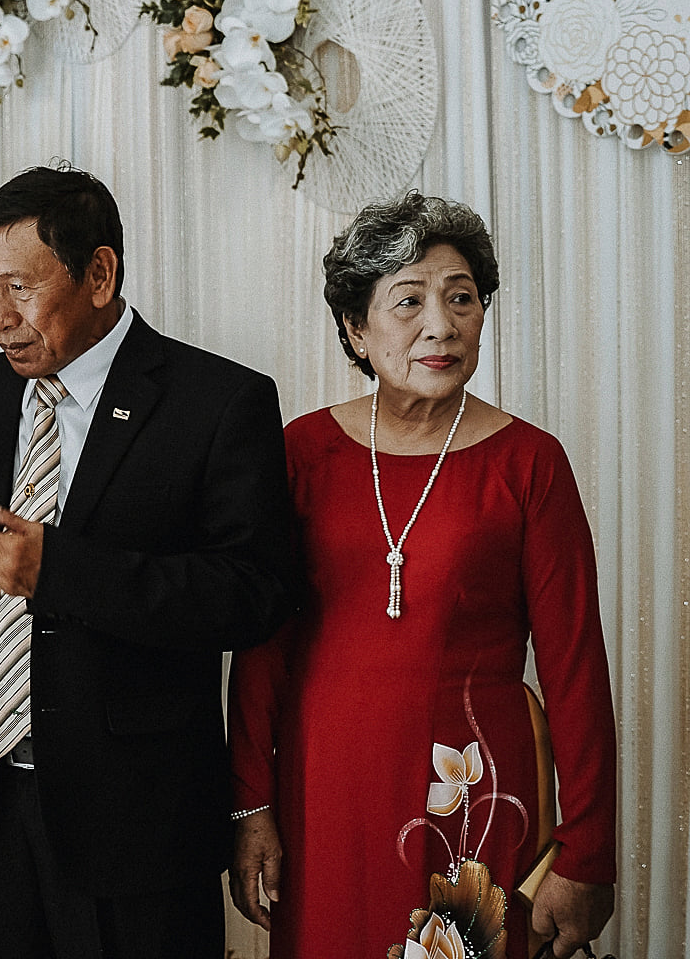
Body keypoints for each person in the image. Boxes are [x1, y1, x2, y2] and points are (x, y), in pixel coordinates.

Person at [0, 164, 298, 959]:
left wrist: (63, 575)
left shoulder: (217, 402)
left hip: (135, 825)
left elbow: (254, 595)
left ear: (100, 273)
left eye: (18, 287)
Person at [228, 192, 616, 959]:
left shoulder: (530, 463)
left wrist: (589, 853)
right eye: (408, 301)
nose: (441, 325)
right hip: (325, 791)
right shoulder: (300, 452)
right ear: (355, 329)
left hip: (473, 791)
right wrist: (250, 807)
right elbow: (261, 644)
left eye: (462, 298)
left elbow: (576, 670)